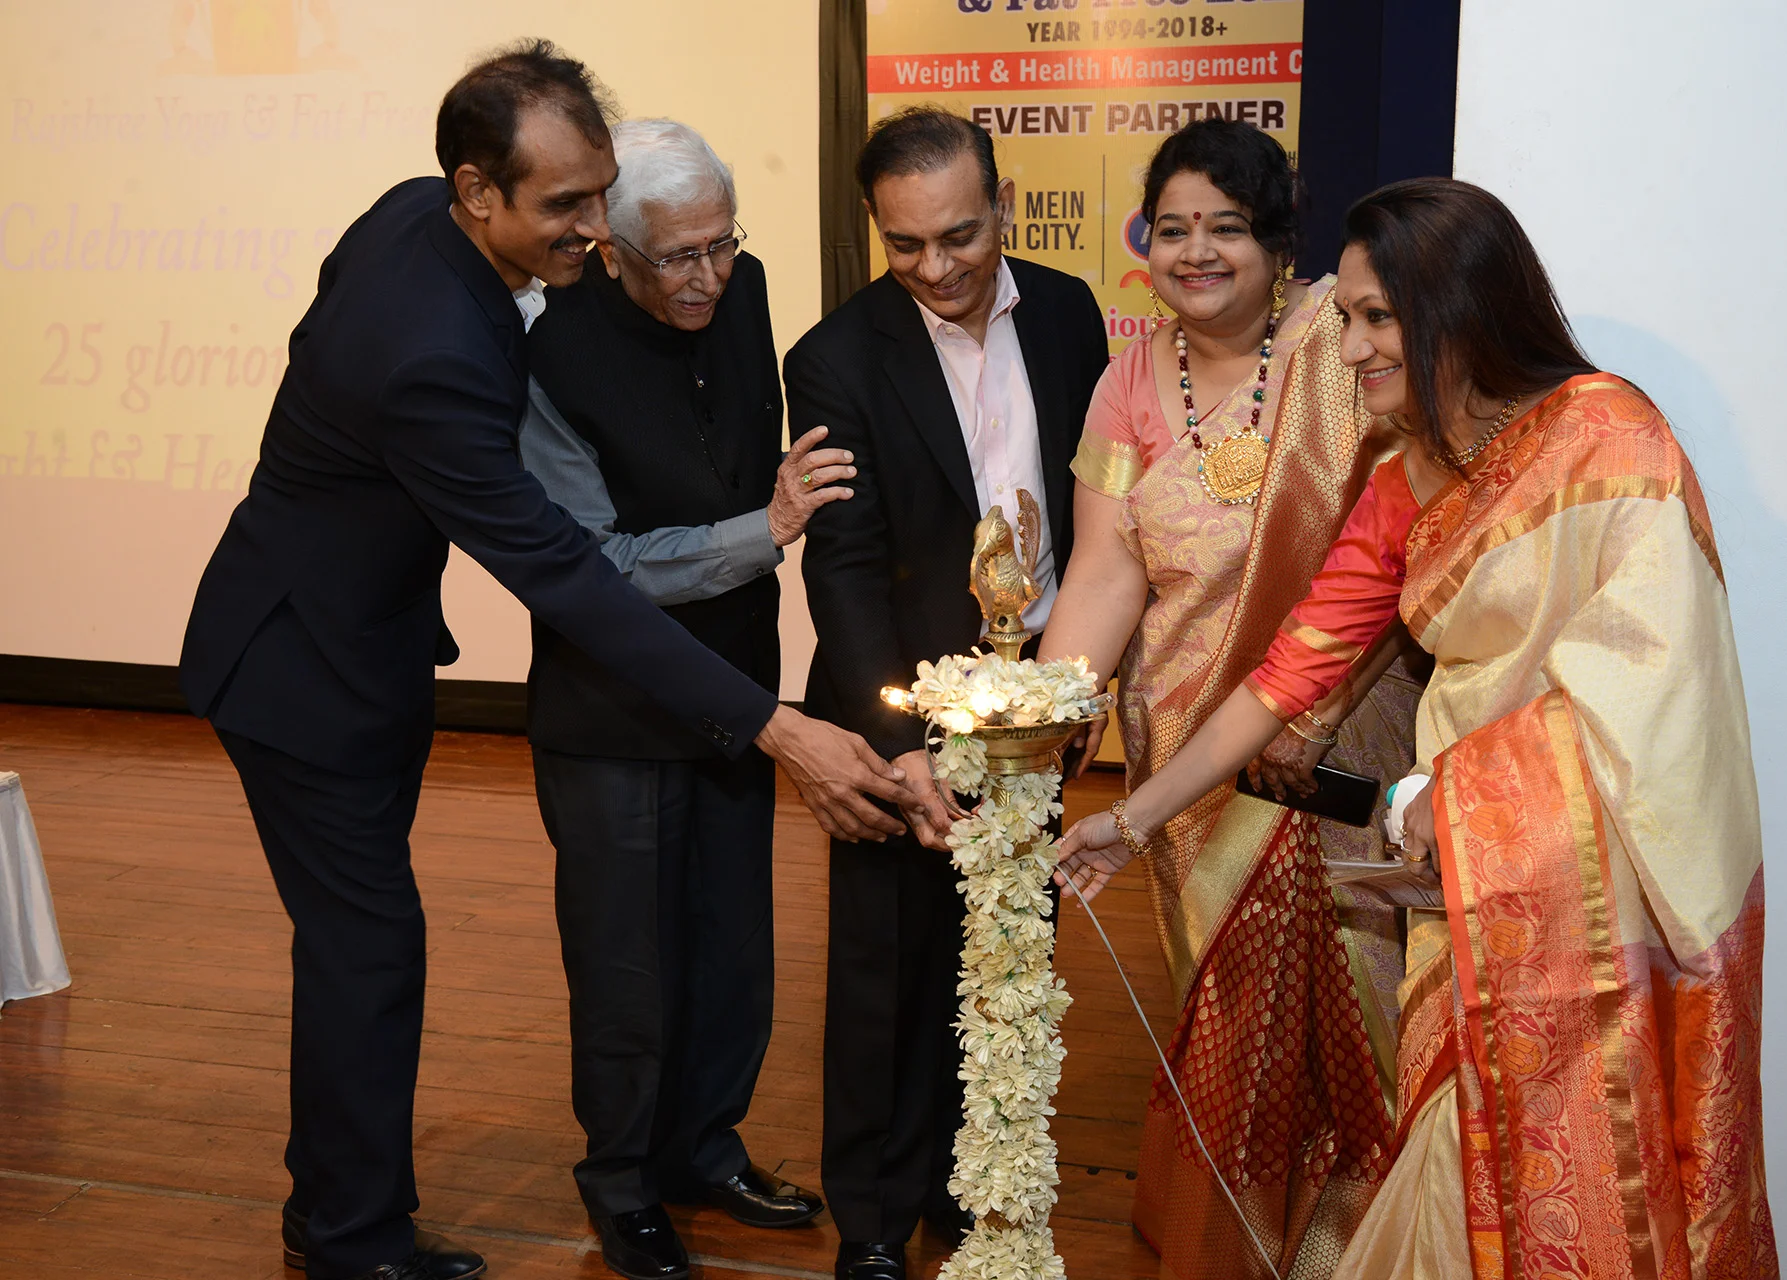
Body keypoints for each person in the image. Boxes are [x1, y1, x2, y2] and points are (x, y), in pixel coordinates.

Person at [177, 43, 915, 1280]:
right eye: (566, 207)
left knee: (366, 946)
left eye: (598, 188)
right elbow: (573, 575)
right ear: (478, 192)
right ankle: (349, 1236)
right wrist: (781, 726)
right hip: (301, 664)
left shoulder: (416, 221)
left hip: (367, 640)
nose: (593, 225)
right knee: (370, 948)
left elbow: (325, 307)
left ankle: (338, 1208)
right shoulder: (436, 358)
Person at [1057, 178, 1776, 1277]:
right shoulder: (1405, 478)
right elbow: (1287, 672)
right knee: (1454, 1163)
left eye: (1376, 317)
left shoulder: (1610, 439)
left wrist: (1463, 800)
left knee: (1591, 1179)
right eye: (1344, 315)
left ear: (1463, 307)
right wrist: (1135, 815)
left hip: (1601, 895)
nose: (1347, 348)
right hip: (1465, 889)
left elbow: (1657, 685)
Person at [1034, 117, 1419, 1278]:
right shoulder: (1124, 379)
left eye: (1227, 229)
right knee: (1232, 1019)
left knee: (1359, 1008)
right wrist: (1042, 724)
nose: (1197, 252)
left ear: (1277, 244)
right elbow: (1106, 570)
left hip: (1337, 730)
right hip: (1183, 748)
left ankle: (1360, 1244)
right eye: (1174, 229)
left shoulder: (1338, 344)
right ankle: (1253, 1242)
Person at [784, 107, 1109, 1280]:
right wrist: (896, 737)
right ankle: (871, 1221)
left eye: (961, 236)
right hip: (902, 715)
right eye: (906, 244)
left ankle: (969, 1184)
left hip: (1035, 710)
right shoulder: (835, 355)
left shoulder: (1070, 313)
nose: (936, 266)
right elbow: (847, 564)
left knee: (1010, 955)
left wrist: (1078, 686)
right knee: (888, 965)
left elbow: (1094, 516)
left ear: (1004, 204)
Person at [518, 119, 844, 1279]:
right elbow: (590, 563)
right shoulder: (546, 350)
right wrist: (762, 531)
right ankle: (621, 1181)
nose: (707, 276)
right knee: (627, 967)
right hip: (609, 712)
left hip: (733, 690)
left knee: (729, 949)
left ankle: (704, 1148)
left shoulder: (740, 288)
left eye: (721, 245)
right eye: (677, 258)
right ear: (610, 241)